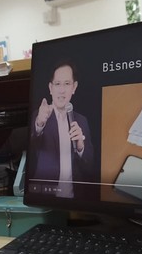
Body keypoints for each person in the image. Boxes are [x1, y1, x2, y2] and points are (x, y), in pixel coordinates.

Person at [28, 60, 94, 198]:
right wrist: (39, 123)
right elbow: (31, 147)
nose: (62, 90)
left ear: (74, 87)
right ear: (50, 88)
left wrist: (81, 147)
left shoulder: (82, 121)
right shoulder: (40, 116)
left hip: (75, 199)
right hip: (46, 198)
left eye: (67, 83)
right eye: (57, 84)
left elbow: (90, 167)